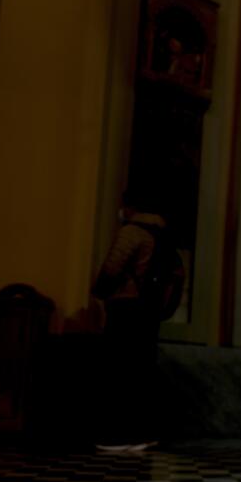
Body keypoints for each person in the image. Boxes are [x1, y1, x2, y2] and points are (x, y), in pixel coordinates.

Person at [90, 187, 168, 454]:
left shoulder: (132, 232)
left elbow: (111, 268)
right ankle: (141, 434)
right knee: (140, 371)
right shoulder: (162, 235)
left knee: (118, 371)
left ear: (131, 206)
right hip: (150, 311)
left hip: (127, 307)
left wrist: (99, 291)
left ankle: (117, 435)